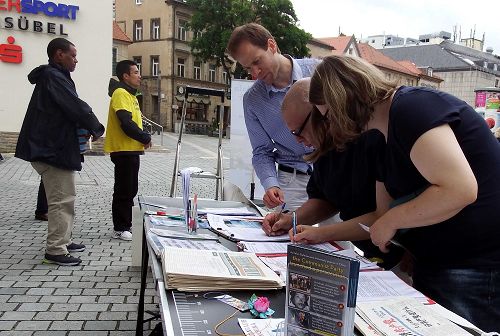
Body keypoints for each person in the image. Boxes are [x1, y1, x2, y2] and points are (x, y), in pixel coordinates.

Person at [301, 55, 500, 331]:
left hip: (474, 264)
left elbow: (460, 189)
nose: (331, 125)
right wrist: (319, 233)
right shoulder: (382, 137)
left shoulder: (411, 109)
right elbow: (379, 217)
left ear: (342, 102)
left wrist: (393, 220)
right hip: (437, 263)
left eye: (328, 115)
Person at [263, 78, 402, 269]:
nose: (298, 141)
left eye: (299, 132)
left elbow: (381, 215)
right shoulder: (324, 147)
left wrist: (322, 233)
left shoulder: (372, 136)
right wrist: (291, 219)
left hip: (406, 252)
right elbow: (325, 200)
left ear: (321, 113)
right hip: (373, 253)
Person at [15, 37, 105, 266]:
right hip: (52, 149)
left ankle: (63, 240)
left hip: (55, 147)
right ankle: (55, 250)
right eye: (72, 55)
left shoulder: (54, 77)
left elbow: (66, 110)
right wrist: (95, 126)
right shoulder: (53, 77)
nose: (76, 60)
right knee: (61, 201)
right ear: (59, 54)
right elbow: (75, 106)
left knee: (65, 198)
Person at [226, 23, 319, 210]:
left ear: (272, 45)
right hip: (291, 182)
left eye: (257, 61)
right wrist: (270, 184)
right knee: (286, 236)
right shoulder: (252, 100)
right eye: (247, 68)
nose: (255, 73)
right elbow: (262, 151)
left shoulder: (319, 72)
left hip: (336, 172)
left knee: (341, 238)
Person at [104, 60, 152, 241]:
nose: (140, 76)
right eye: (136, 72)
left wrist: (142, 136)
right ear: (125, 76)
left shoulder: (131, 94)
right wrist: (144, 137)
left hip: (131, 149)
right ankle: (120, 227)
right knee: (123, 189)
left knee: (131, 189)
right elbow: (126, 122)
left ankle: (127, 224)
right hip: (123, 149)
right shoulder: (120, 93)